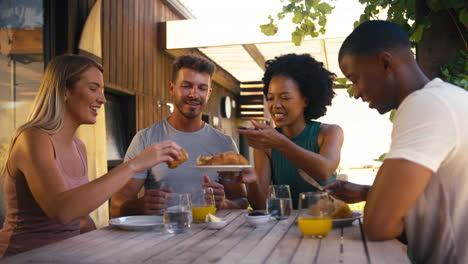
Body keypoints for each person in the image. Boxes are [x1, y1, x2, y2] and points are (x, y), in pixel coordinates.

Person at [0, 54, 184, 257]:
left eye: (102, 90)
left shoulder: (78, 146)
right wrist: (134, 165)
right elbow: (62, 211)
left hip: (67, 255)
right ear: (64, 91)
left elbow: (81, 219)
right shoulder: (33, 139)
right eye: (93, 88)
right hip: (25, 256)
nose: (103, 99)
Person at [324, 20, 468, 263]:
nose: (356, 92)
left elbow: (378, 226)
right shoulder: (451, 97)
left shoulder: (425, 105)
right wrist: (368, 193)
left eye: (354, 79)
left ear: (385, 62)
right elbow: (445, 199)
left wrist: (381, 210)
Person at [110, 55, 252, 217]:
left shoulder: (224, 143)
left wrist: (225, 203)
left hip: (211, 238)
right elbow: (116, 205)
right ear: (172, 88)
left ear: (209, 93)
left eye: (202, 88)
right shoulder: (145, 139)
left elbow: (243, 202)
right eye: (187, 86)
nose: (194, 94)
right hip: (160, 238)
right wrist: (140, 205)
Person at [238, 53, 344, 209]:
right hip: (284, 226)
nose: (276, 105)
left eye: (285, 98)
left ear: (306, 100)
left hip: (326, 222)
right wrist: (253, 181)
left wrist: (279, 142)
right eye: (270, 98)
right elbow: (259, 205)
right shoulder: (267, 142)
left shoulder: (329, 132)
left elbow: (325, 170)